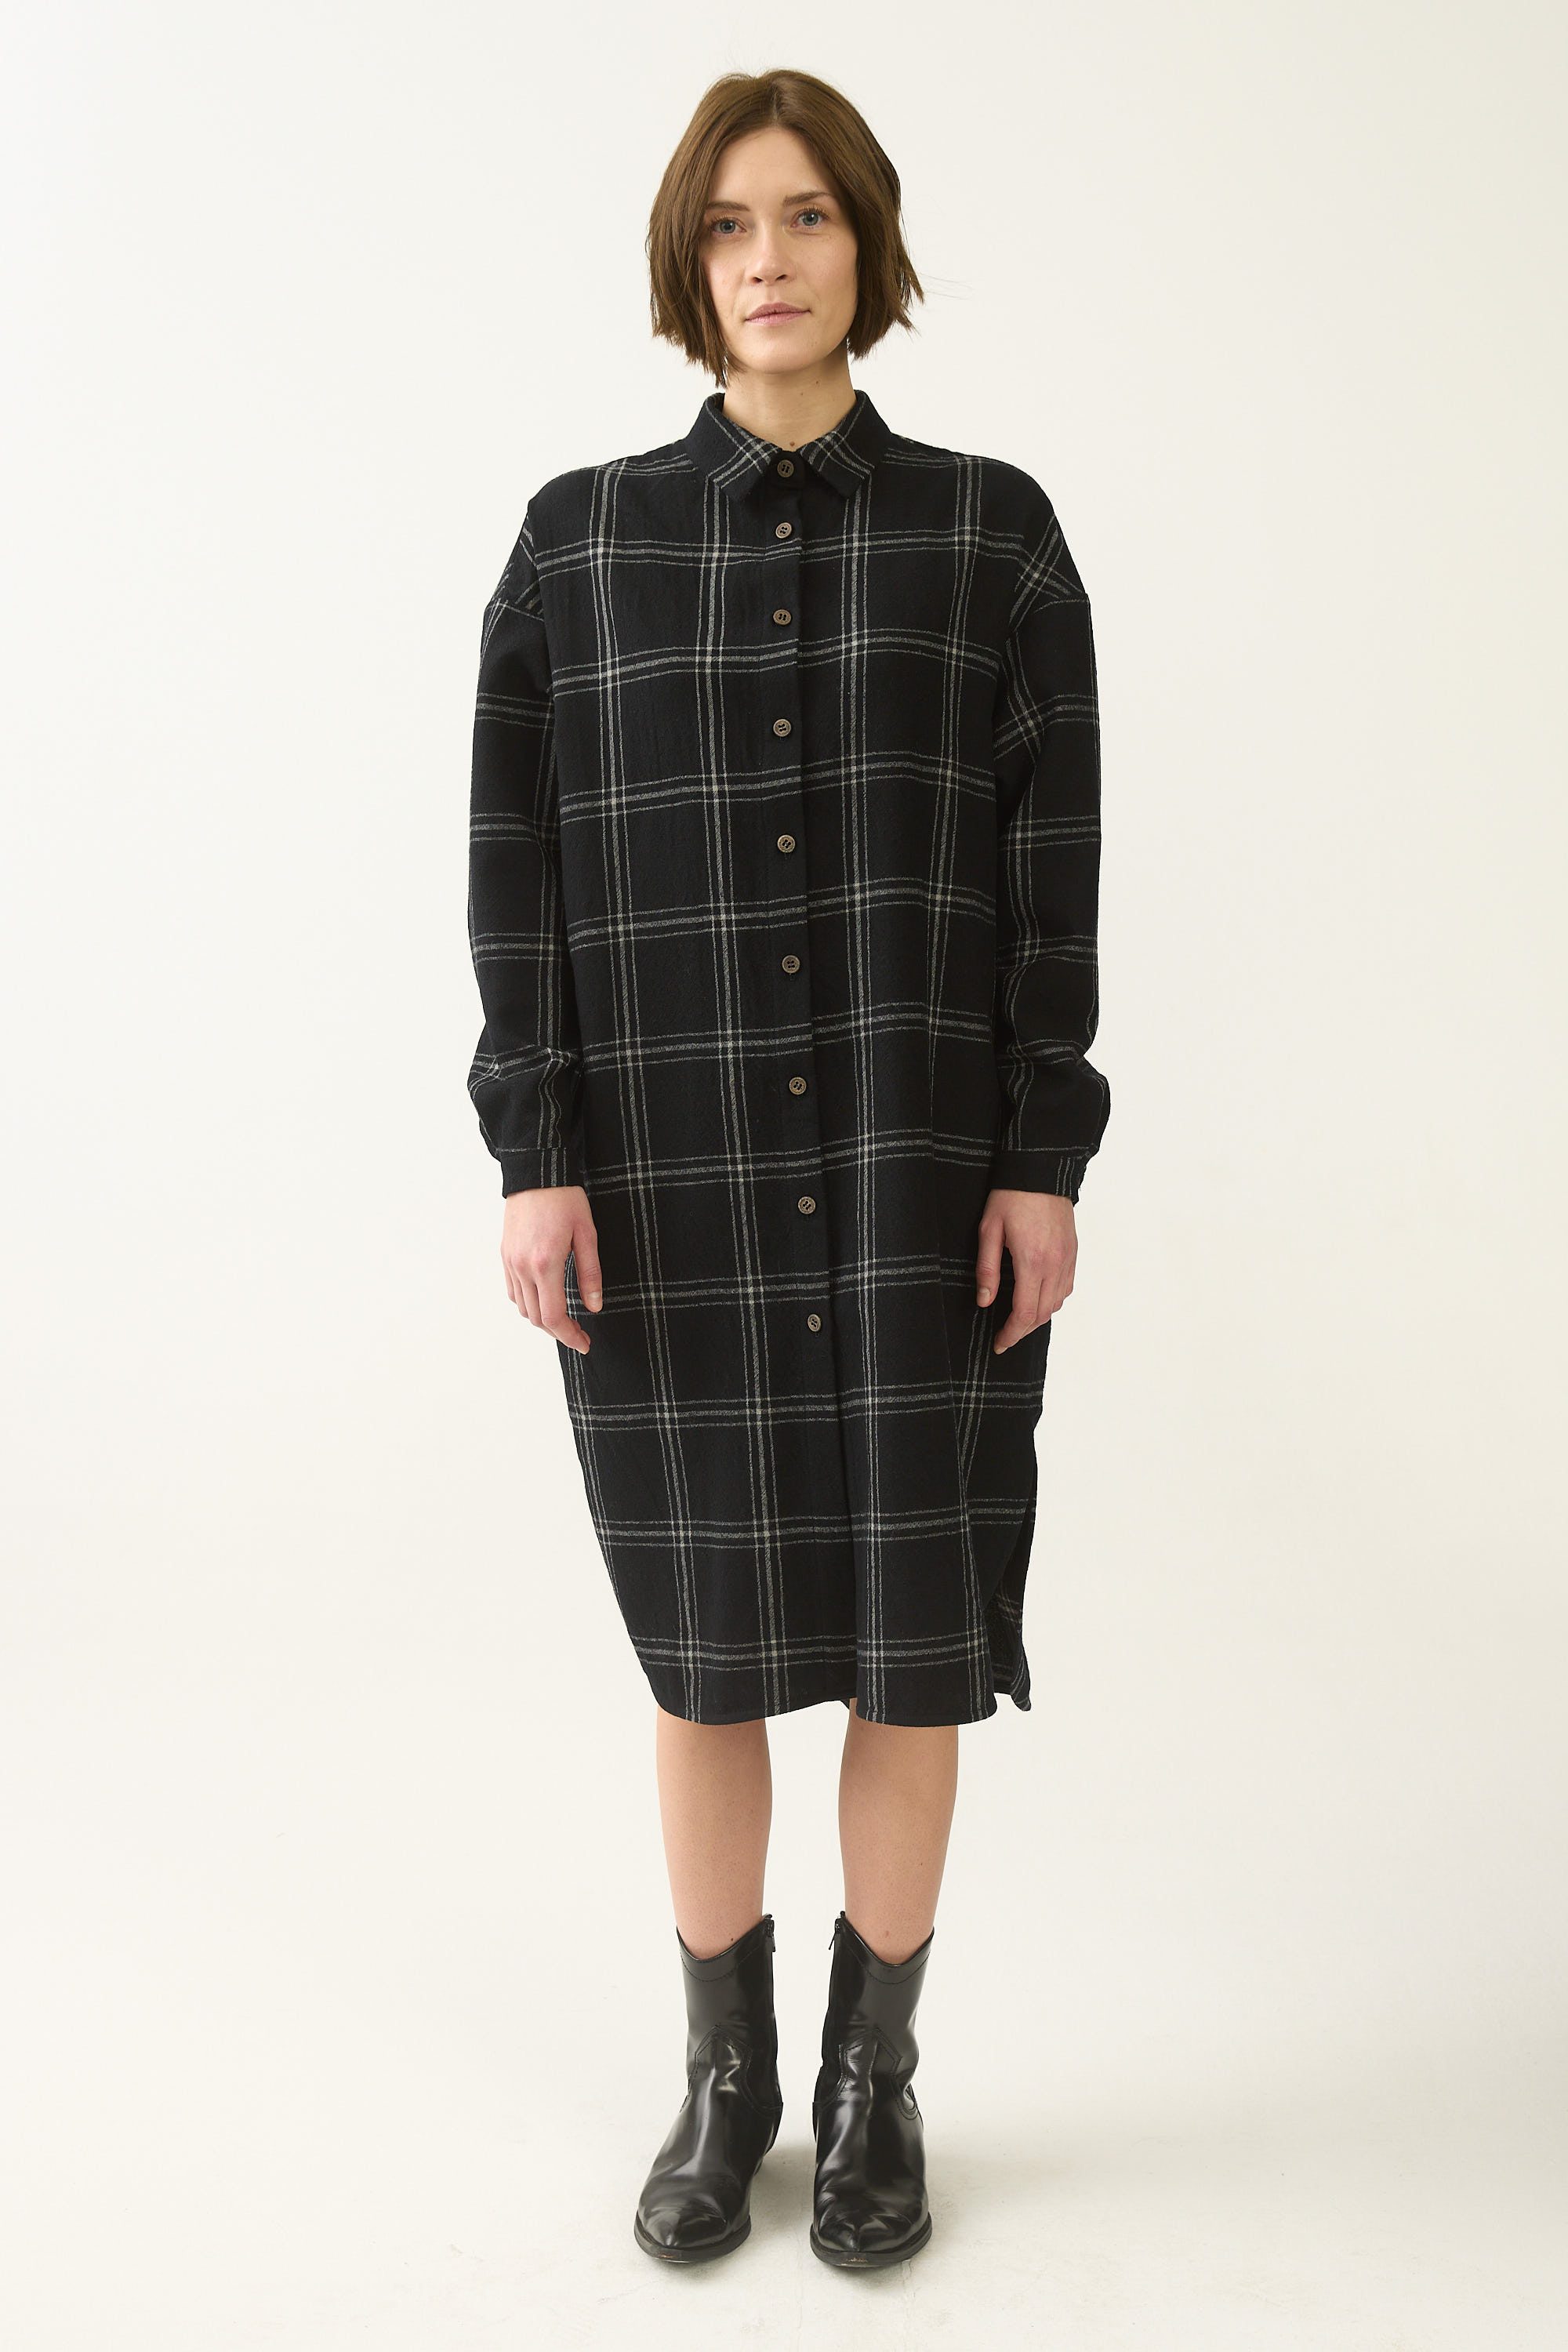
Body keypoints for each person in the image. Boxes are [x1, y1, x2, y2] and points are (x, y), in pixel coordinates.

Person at [463, 67, 1109, 2270]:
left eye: (811, 215)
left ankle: (870, 2085)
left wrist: (1041, 1152)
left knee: (918, 1652)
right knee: (706, 1651)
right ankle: (725, 2077)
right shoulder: (578, 546)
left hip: (926, 1185)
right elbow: (522, 877)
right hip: (672, 1193)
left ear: (869, 244)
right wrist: (537, 1150)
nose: (771, 258)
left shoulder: (993, 538)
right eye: (732, 223)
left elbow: (1051, 877)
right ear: (688, 260)